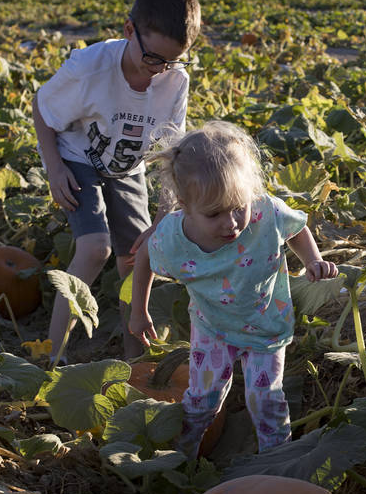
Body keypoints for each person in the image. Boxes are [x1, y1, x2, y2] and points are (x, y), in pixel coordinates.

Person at [128, 121, 338, 458]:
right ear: (184, 204)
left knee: (266, 398)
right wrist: (139, 312)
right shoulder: (172, 239)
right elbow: (143, 259)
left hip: (265, 324)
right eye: (215, 214)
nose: (232, 223)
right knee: (201, 400)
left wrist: (313, 261)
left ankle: (275, 464)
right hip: (213, 328)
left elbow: (297, 230)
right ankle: (183, 459)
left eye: (238, 207)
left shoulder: (265, 212)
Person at [32, 0, 201, 365]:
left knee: (138, 260)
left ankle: (134, 364)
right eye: (153, 58)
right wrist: (55, 169)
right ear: (129, 30)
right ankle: (51, 357)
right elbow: (43, 106)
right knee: (94, 249)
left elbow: (170, 153)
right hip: (78, 158)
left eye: (173, 60)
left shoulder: (174, 80)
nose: (160, 69)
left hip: (128, 168)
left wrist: (162, 220)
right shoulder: (90, 67)